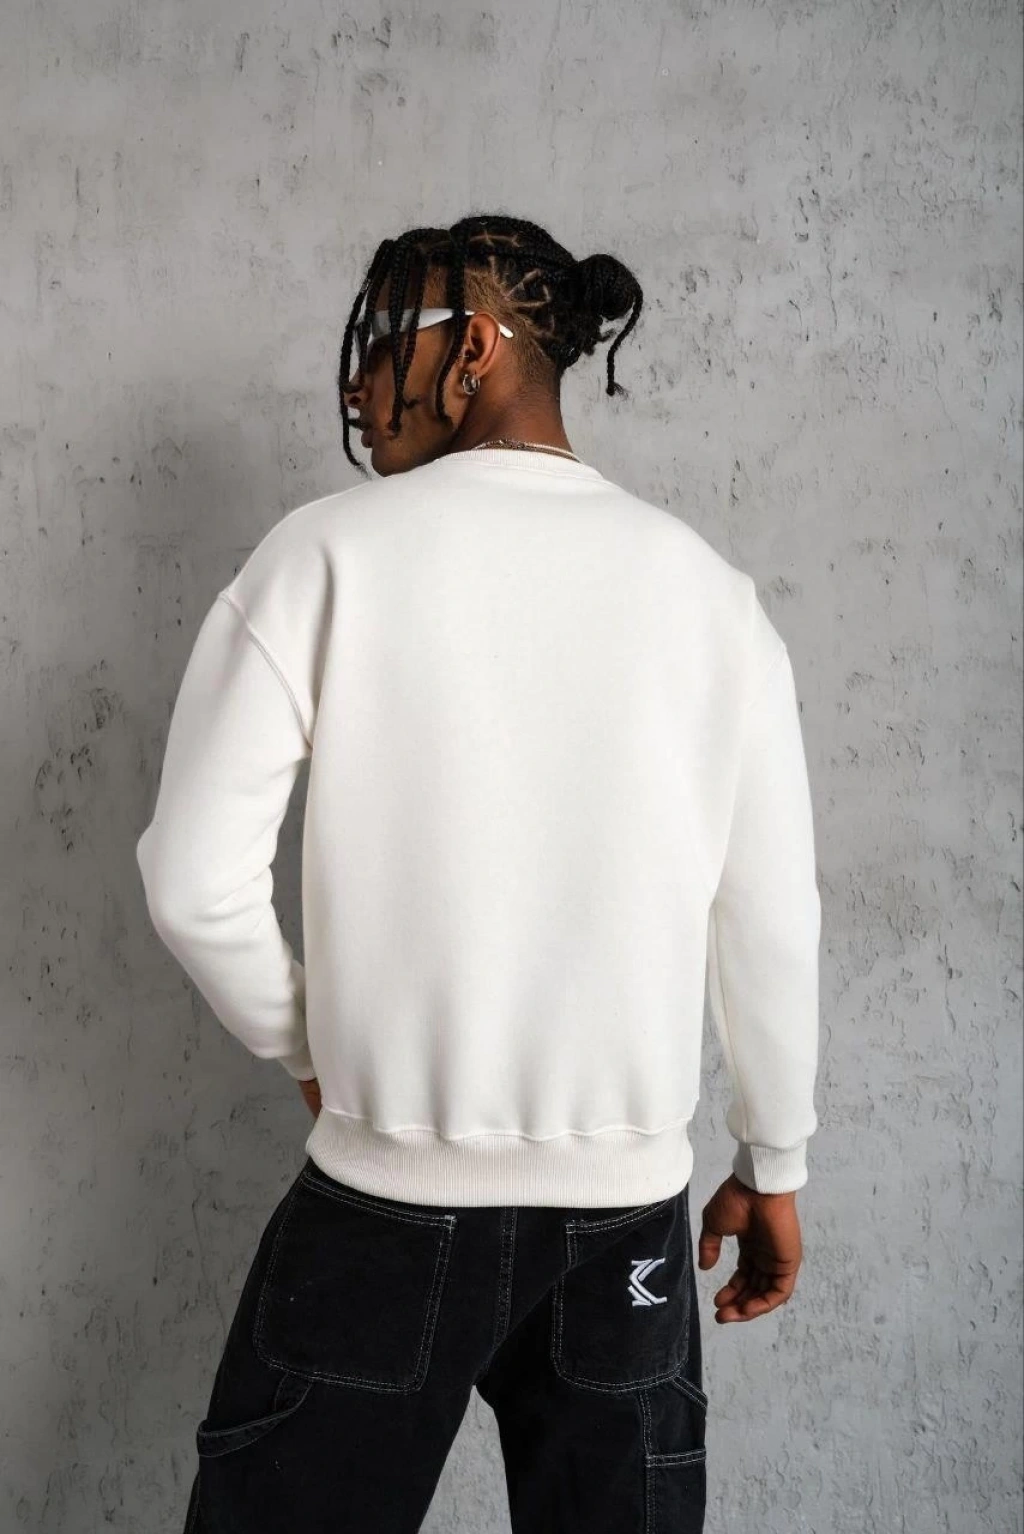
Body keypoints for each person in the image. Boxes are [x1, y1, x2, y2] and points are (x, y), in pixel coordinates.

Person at [136, 212, 822, 1534]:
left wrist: (309, 1045)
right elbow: (770, 915)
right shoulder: (709, 596)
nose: (355, 385)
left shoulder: (324, 556)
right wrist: (774, 1156)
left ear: (476, 349)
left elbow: (192, 881)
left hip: (385, 1207)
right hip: (625, 1221)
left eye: (381, 345)